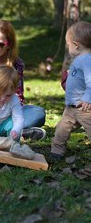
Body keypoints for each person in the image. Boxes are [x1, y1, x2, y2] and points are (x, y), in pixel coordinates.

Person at [50, 21, 91, 162]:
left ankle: (57, 149)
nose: (68, 47)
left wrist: (88, 98)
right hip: (71, 107)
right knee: (62, 129)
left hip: (85, 108)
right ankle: (56, 151)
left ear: (76, 45)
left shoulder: (87, 61)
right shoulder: (80, 60)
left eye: (68, 44)